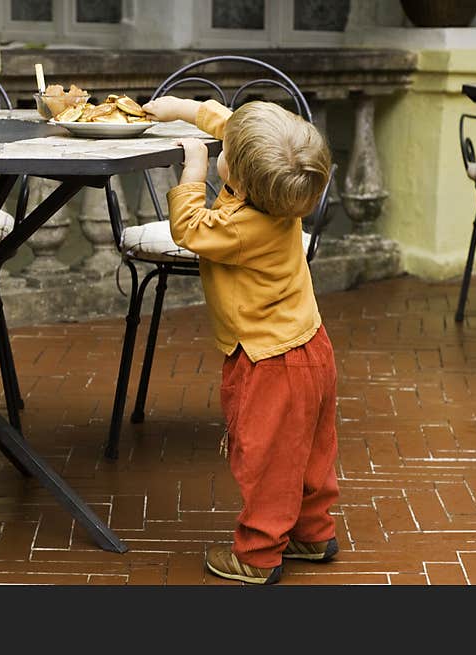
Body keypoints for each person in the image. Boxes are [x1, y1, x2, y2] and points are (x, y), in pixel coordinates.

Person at [142, 96, 338, 585]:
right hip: (309, 346)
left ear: (244, 179)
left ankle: (257, 554)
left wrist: (194, 169)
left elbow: (189, 228)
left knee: (267, 459)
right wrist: (183, 108)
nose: (222, 150)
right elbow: (238, 130)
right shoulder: (279, 188)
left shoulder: (243, 226)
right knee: (310, 451)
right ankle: (313, 534)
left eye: (228, 154)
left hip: (269, 361)